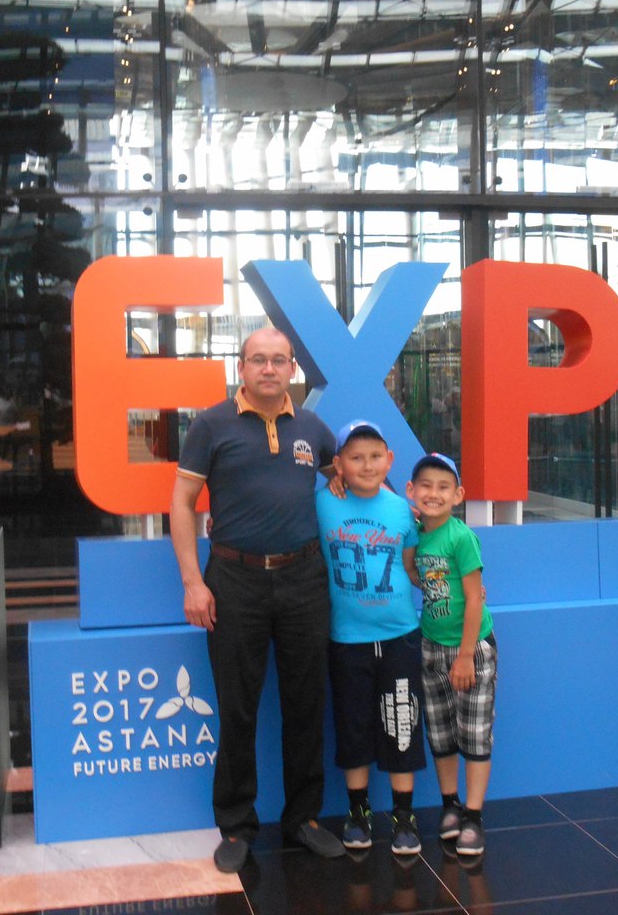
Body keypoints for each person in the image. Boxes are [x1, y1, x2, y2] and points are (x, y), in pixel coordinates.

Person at [170, 327, 345, 874]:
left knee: (306, 704)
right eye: (258, 360)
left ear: (292, 368)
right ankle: (236, 825)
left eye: (278, 360)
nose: (269, 369)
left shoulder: (313, 429)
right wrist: (193, 583)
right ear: (241, 367)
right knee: (238, 706)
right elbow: (182, 502)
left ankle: (303, 819)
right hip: (233, 581)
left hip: (304, 580)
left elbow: (348, 482)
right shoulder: (211, 425)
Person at [314, 420, 425, 856]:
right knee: (353, 724)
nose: (367, 465)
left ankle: (403, 816)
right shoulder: (322, 504)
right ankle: (358, 812)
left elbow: (413, 568)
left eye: (375, 456)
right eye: (356, 458)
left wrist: (455, 586)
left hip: (400, 637)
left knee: (402, 725)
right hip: (347, 639)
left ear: (389, 460)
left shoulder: (402, 511)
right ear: (338, 464)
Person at [406, 452, 496, 857]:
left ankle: (473, 816)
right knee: (440, 732)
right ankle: (450, 805)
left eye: (444, 487)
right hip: (430, 645)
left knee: (473, 733)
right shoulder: (416, 535)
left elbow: (475, 598)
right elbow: (416, 574)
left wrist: (465, 656)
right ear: (412, 491)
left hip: (470, 648)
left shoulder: (461, 538)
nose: (434, 493)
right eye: (426, 485)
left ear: (458, 495)